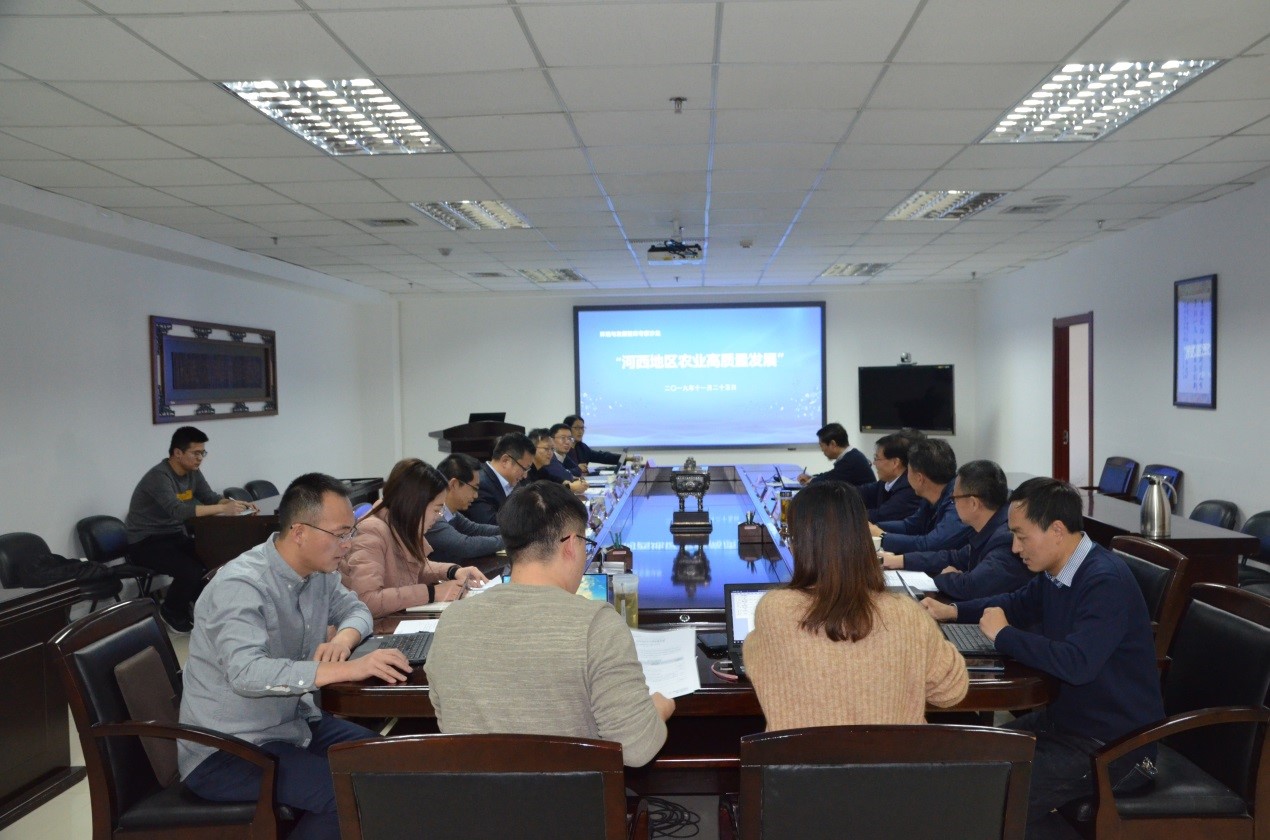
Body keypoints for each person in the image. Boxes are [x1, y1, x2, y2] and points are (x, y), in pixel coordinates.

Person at [922, 478, 1164, 839]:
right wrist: (954, 611)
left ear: (1057, 530)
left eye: (1022, 536)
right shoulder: (1058, 570)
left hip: (1114, 746)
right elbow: (1017, 604)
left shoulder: (1104, 581)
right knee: (968, 760)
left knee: (988, 795)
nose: (1015, 548)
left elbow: (1078, 664)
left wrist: (1004, 635)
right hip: (1066, 724)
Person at [178, 473, 412, 840]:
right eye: (341, 534)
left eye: (351, 532)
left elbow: (357, 610)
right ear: (300, 532)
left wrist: (344, 640)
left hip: (293, 725)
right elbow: (247, 673)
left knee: (389, 763)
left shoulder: (319, 573)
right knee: (349, 795)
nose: (348, 545)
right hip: (228, 749)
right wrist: (346, 669)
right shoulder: (241, 585)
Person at [427, 480, 674, 767]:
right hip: (573, 795)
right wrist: (661, 707)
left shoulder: (452, 621)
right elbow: (637, 750)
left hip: (475, 794)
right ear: (570, 544)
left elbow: (447, 721)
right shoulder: (597, 625)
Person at [743, 482, 968, 731]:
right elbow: (951, 691)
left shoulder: (775, 609)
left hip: (802, 757)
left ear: (799, 545)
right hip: (892, 757)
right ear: (865, 542)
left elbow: (757, 668)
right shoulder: (908, 613)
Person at [124, 425, 257, 633]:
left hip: (173, 536)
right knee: (190, 570)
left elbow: (209, 497)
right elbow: (178, 511)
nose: (200, 458)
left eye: (203, 453)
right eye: (195, 453)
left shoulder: (193, 473)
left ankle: (202, 607)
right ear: (178, 453)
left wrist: (236, 504)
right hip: (144, 542)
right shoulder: (159, 477)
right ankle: (170, 611)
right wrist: (223, 509)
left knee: (209, 557)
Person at [340, 459, 488, 631]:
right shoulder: (371, 531)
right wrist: (432, 593)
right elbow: (367, 600)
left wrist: (453, 571)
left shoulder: (399, 525)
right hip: (370, 632)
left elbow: (413, 568)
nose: (438, 517)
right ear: (416, 504)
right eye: (436, 509)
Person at [881, 460, 1034, 602]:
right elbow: (954, 557)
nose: (953, 505)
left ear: (973, 503)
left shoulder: (1006, 538)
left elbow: (971, 587)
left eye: (954, 499)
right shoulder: (989, 526)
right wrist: (900, 560)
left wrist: (946, 577)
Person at [870, 438, 973, 554]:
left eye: (908, 470)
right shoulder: (930, 497)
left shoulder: (958, 502)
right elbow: (910, 526)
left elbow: (931, 544)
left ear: (919, 478)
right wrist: (874, 527)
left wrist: (882, 537)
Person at [425, 453, 505, 564]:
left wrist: (514, 531)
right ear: (454, 484)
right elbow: (466, 545)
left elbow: (476, 530)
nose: (476, 495)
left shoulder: (452, 513)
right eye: (474, 488)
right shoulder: (432, 516)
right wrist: (511, 540)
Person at [466, 432, 535, 525]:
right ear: (505, 461)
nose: (525, 476)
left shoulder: (516, 482)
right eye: (524, 469)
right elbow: (491, 524)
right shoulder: (478, 483)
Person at [857, 431, 922, 523]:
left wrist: (847, 514)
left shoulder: (910, 488)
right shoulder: (886, 481)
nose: (874, 463)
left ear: (895, 463)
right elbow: (862, 492)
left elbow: (880, 516)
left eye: (877, 459)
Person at [797, 422, 874, 486]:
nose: (822, 450)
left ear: (833, 444)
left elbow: (830, 479)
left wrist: (810, 481)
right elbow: (832, 474)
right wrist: (811, 477)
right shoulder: (852, 455)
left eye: (821, 445)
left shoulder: (850, 460)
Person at [526, 427, 588, 492]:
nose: (550, 453)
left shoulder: (541, 470)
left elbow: (555, 481)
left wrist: (566, 483)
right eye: (546, 448)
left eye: (552, 449)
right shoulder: (526, 471)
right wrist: (570, 487)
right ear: (532, 448)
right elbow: (539, 492)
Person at [564, 414, 630, 472]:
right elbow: (560, 470)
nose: (580, 431)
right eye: (576, 428)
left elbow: (602, 456)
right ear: (567, 429)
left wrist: (626, 457)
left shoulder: (581, 447)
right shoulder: (561, 449)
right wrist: (576, 468)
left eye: (582, 428)